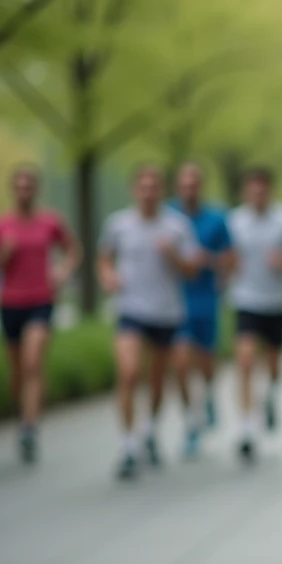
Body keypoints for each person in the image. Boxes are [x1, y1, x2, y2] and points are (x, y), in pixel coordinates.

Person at [97, 165, 201, 479]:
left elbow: (192, 270)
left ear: (162, 190)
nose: (148, 192)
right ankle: (127, 446)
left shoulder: (177, 226)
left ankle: (148, 429)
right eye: (142, 186)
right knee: (128, 373)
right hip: (130, 309)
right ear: (134, 190)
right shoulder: (118, 224)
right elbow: (104, 257)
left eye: (154, 186)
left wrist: (172, 255)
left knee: (157, 383)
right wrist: (107, 276)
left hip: (166, 313)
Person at [0, 165, 81, 463]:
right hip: (10, 303)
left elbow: (73, 249)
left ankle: (29, 427)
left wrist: (62, 270)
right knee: (16, 373)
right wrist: (1, 256)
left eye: (29, 186)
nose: (24, 191)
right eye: (19, 187)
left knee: (32, 361)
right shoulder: (0, 225)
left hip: (41, 300)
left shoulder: (50, 222)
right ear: (13, 190)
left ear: (36, 189)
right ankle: (22, 414)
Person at [226, 166, 282, 461]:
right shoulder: (235, 221)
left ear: (271, 191)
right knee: (246, 359)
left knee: (274, 366)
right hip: (245, 300)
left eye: (262, 190)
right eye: (252, 191)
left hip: (277, 302)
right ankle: (247, 429)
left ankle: (272, 397)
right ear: (245, 192)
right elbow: (226, 256)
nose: (257, 196)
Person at [167, 162, 234, 458]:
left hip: (205, 300)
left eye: (194, 184)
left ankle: (208, 396)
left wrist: (210, 261)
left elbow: (231, 261)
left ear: (201, 186)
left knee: (206, 361)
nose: (189, 189)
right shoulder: (166, 216)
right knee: (180, 364)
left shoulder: (217, 219)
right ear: (177, 187)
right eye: (184, 184)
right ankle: (191, 423)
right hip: (173, 301)